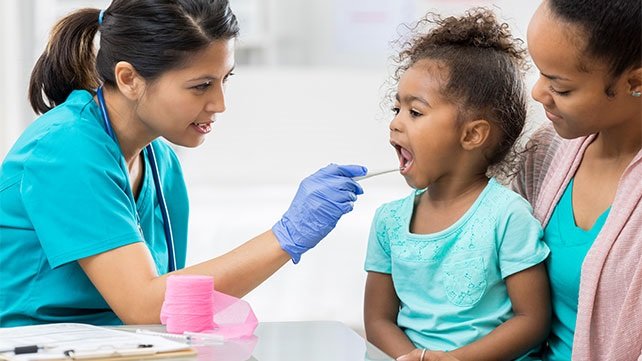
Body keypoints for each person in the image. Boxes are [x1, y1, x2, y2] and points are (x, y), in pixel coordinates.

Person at [0, 0, 367, 326]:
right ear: (129, 79)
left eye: (226, 79)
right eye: (201, 85)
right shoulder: (64, 151)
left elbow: (168, 304)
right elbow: (144, 304)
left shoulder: (161, 163)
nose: (220, 103)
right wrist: (285, 238)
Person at [363, 9, 551, 361]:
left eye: (415, 112)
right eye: (396, 109)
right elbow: (377, 320)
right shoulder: (388, 221)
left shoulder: (508, 217)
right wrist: (414, 358)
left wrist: (453, 360)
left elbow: (532, 321)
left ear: (472, 134)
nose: (396, 124)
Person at [511, 0, 642, 360]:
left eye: (561, 87)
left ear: (635, 81)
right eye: (539, 73)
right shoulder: (544, 150)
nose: (538, 93)